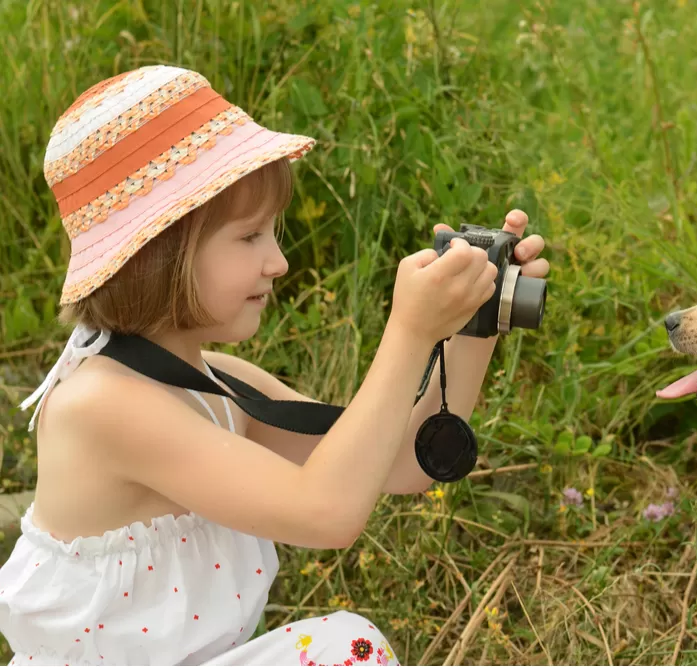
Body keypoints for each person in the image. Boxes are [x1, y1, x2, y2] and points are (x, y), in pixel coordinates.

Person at [0, 65, 549, 666]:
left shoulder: (216, 384)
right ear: (159, 254)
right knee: (348, 649)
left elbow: (401, 462)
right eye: (249, 237)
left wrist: (473, 321)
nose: (278, 261)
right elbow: (326, 513)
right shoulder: (103, 405)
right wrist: (410, 330)